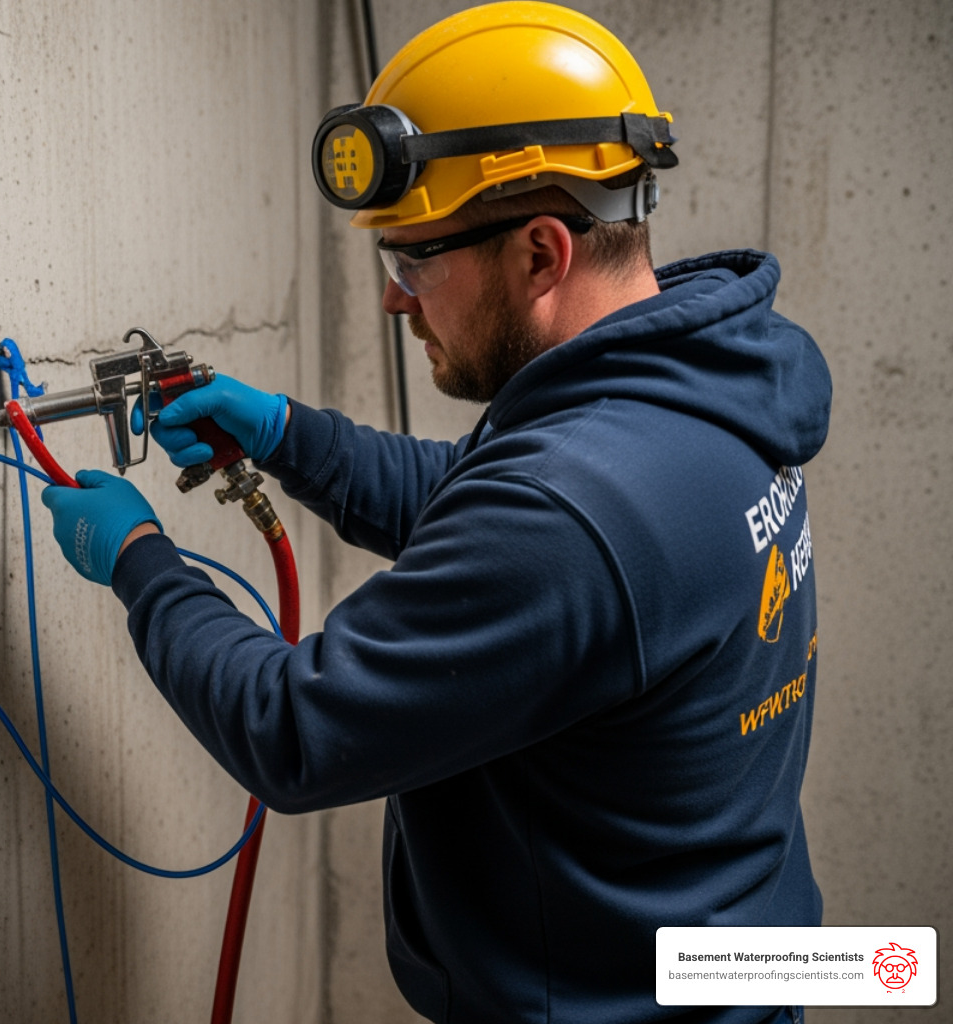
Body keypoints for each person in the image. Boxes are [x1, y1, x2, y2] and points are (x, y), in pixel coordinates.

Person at [41, 3, 831, 1022]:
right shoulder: (698, 386)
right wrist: (287, 433)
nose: (394, 301)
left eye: (413, 262)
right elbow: (484, 501)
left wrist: (140, 559)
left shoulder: (571, 509)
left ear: (541, 255)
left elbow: (296, 727)